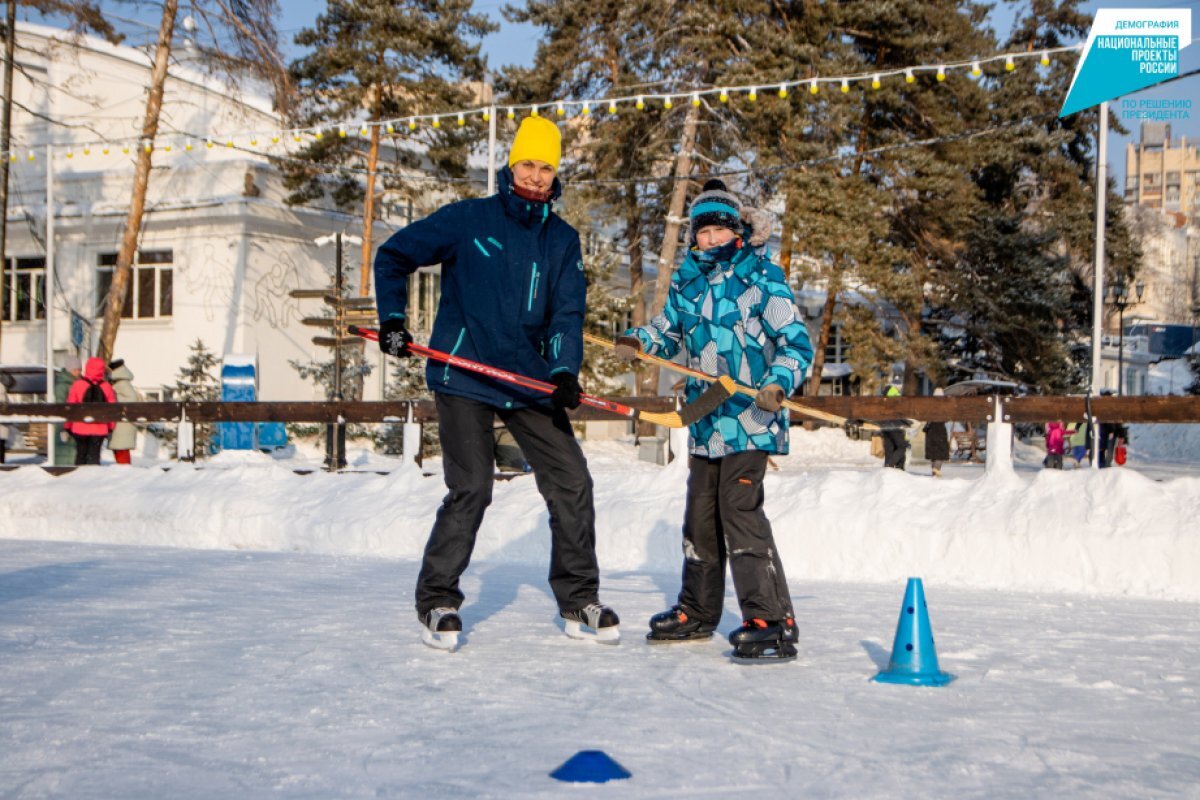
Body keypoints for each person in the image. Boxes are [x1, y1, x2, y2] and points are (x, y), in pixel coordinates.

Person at [373, 116, 618, 651]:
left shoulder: (562, 241)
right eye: (528, 164)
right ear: (511, 164)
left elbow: (566, 315)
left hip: (527, 378)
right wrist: (393, 320)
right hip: (464, 373)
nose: (535, 176)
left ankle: (579, 598)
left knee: (572, 480)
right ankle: (437, 597)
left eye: (546, 167)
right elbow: (393, 257)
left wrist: (562, 371)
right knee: (473, 487)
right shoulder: (469, 220)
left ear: (557, 174)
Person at [615, 179, 814, 662]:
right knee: (700, 519)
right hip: (707, 424)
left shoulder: (762, 278)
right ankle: (697, 611)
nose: (712, 239)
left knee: (738, 511)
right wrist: (639, 341)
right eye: (703, 231)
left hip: (751, 416)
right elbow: (668, 330)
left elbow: (796, 342)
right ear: (694, 237)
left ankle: (769, 618)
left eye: (721, 229)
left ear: (737, 231)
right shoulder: (689, 282)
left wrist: (779, 382)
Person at [64, 356, 115, 465]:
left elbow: (70, 408)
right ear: (102, 370)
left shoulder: (77, 385)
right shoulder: (106, 387)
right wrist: (110, 427)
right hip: (100, 428)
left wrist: (67, 426)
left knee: (81, 455)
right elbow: (112, 409)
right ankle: (93, 479)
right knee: (94, 456)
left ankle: (79, 478)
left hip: (80, 427)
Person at [107, 359, 141, 465]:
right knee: (120, 451)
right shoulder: (121, 382)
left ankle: (125, 473)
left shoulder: (122, 383)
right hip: (122, 424)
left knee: (121, 451)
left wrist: (115, 400)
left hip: (122, 424)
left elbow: (132, 398)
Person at [53, 354, 82, 466]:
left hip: (74, 421)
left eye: (79, 369)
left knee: (71, 449)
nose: (78, 372)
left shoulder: (77, 383)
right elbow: (60, 405)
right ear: (69, 369)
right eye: (75, 370)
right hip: (64, 422)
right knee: (64, 449)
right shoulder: (62, 385)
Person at [923, 388, 950, 477]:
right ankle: (936, 469)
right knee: (941, 451)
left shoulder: (929, 404)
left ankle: (934, 469)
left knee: (933, 451)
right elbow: (947, 418)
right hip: (940, 429)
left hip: (931, 429)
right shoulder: (945, 405)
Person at [880, 385, 908, 470]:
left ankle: (887, 469)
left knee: (889, 448)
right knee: (902, 446)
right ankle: (892, 465)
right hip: (895, 425)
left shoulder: (883, 401)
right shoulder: (896, 399)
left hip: (885, 426)